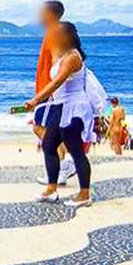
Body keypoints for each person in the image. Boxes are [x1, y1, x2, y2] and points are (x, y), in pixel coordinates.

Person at [25, 21, 94, 207]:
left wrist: (35, 100)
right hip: (60, 106)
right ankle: (51, 189)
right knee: (48, 145)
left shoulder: (73, 57)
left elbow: (57, 82)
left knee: (76, 150)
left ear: (67, 37)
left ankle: (85, 194)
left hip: (74, 108)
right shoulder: (63, 55)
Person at [32, 0, 74, 183]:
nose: (39, 15)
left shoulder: (55, 34)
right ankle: (62, 168)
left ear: (49, 13)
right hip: (48, 90)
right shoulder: (53, 33)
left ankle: (65, 164)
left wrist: (46, 92)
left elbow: (61, 63)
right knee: (50, 131)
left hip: (49, 92)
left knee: (40, 129)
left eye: (41, 12)